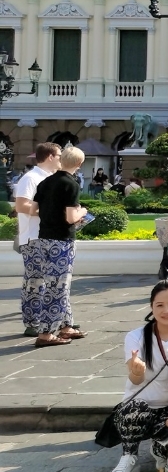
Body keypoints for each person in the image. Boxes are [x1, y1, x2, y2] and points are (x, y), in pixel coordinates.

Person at [107, 280, 168, 472]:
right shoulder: (136, 336)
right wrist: (137, 371)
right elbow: (136, 380)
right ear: (151, 307)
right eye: (159, 305)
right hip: (141, 407)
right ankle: (129, 456)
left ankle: (159, 448)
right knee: (134, 409)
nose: (166, 310)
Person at [29, 146, 88, 348]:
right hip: (61, 241)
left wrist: (52, 214)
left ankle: (66, 326)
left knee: (57, 284)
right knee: (58, 288)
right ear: (79, 164)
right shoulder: (71, 184)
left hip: (44, 238)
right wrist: (83, 212)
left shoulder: (45, 182)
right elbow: (71, 218)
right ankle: (46, 333)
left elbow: (34, 210)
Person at [15, 142, 62, 339]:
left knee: (53, 281)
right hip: (33, 237)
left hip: (49, 236)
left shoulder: (51, 178)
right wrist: (49, 212)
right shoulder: (31, 178)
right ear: (50, 157)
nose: (61, 159)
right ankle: (32, 323)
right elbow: (21, 205)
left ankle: (56, 320)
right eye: (59, 156)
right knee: (34, 282)